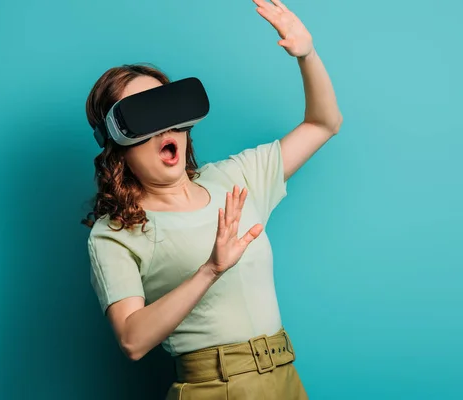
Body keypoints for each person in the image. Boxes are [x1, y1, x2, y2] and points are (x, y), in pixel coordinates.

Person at [83, 0, 343, 398]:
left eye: (167, 108)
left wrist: (307, 54)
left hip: (285, 377)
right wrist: (210, 270)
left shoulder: (235, 178)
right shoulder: (115, 232)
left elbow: (324, 123)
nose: (163, 128)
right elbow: (132, 341)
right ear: (118, 142)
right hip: (213, 387)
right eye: (142, 118)